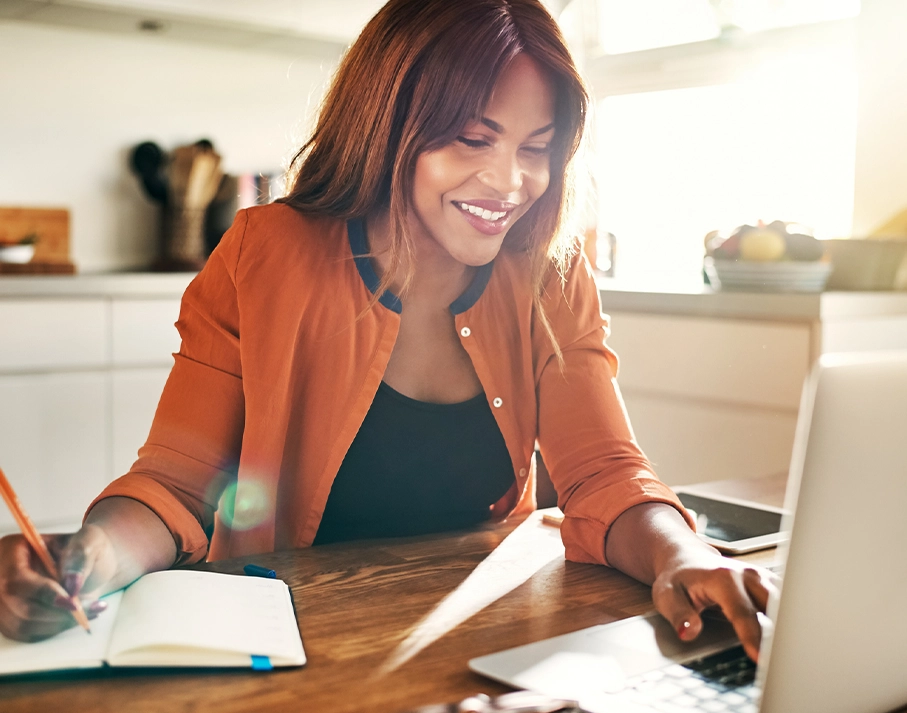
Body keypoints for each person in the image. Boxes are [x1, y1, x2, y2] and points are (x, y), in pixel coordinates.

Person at [0, 0, 777, 659]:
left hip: (481, 637)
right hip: (286, 646)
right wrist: (90, 556)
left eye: (535, 149)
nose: (510, 182)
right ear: (389, 122)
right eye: (472, 139)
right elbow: (176, 485)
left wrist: (684, 555)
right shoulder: (264, 253)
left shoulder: (549, 270)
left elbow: (603, 470)